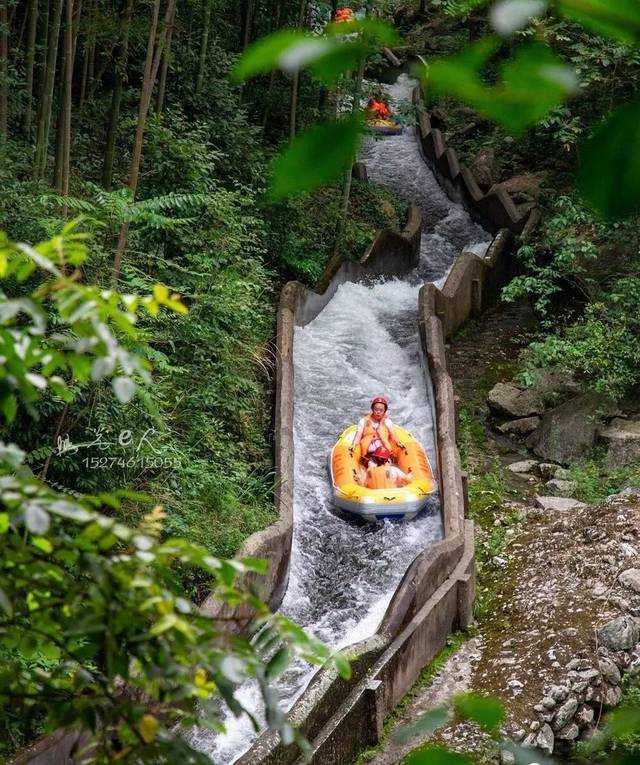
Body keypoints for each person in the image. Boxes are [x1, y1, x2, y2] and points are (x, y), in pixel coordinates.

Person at [350, 396, 405, 468]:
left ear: (384, 411)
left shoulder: (387, 422)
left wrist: (398, 442)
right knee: (371, 466)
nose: (378, 412)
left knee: (387, 467)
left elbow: (393, 435)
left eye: (381, 410)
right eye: (376, 409)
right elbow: (358, 436)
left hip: (384, 453)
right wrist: (353, 444)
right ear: (372, 409)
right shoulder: (363, 421)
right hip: (370, 453)